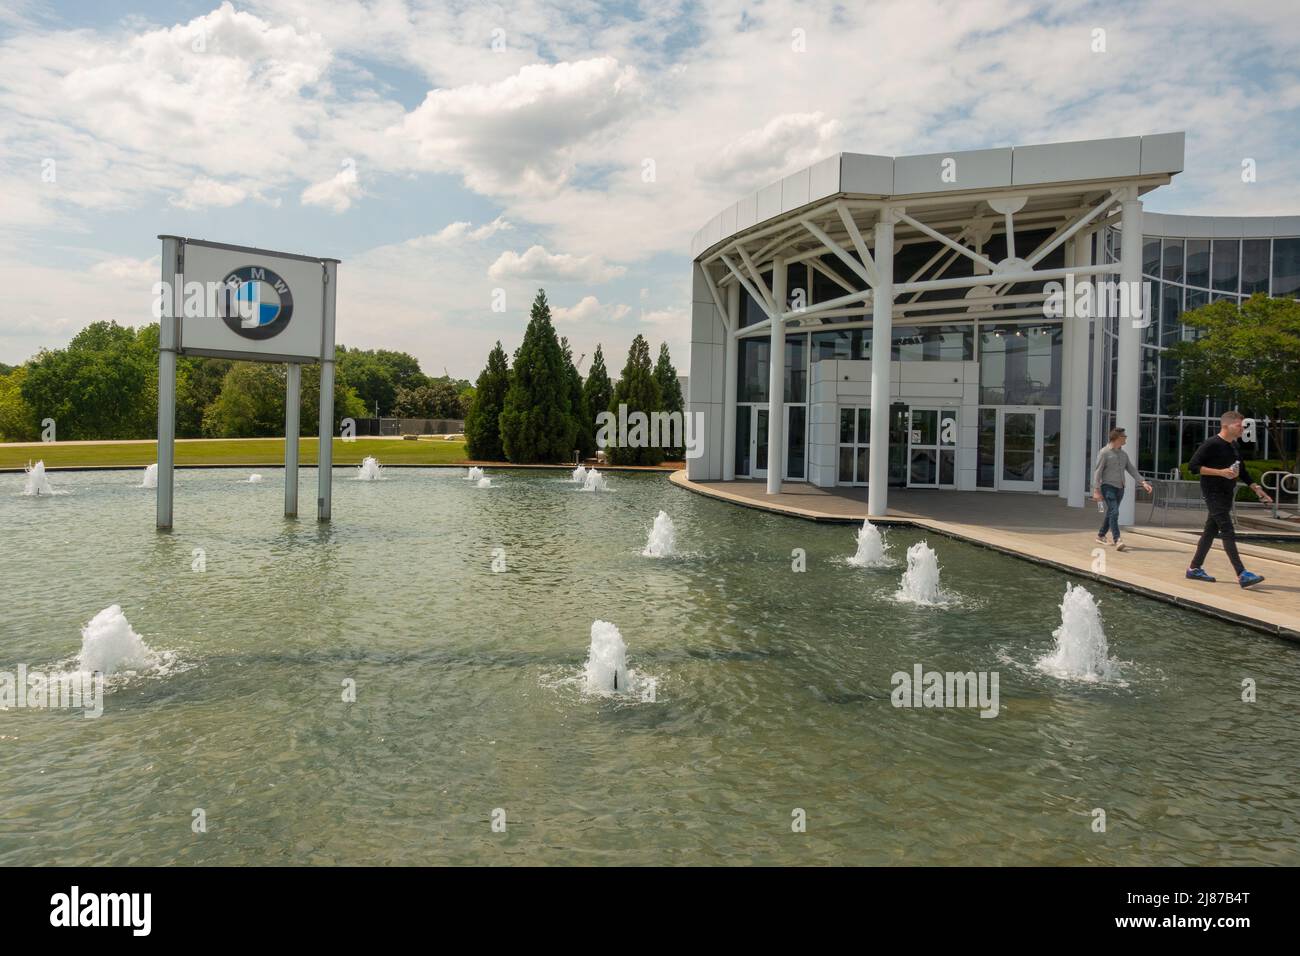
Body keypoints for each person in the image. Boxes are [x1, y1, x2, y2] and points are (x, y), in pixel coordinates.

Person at [1186, 410, 1273, 587]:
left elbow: (1243, 471)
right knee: (1227, 530)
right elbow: (1192, 466)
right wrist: (1220, 472)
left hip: (1226, 494)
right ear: (1226, 425)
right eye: (1238, 425)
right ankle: (1242, 574)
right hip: (1213, 493)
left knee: (1210, 532)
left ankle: (1194, 568)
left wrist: (1256, 488)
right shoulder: (1211, 444)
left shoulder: (1234, 446)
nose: (1242, 428)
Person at [1091, 427, 1152, 551]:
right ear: (1117, 438)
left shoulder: (1123, 454)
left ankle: (1101, 535)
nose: (1126, 439)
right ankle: (1117, 539)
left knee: (1111, 512)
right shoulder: (1104, 452)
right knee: (1114, 512)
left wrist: (1143, 482)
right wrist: (1096, 490)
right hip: (1108, 486)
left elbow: (1131, 469)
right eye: (1124, 437)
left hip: (1120, 488)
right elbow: (1097, 472)